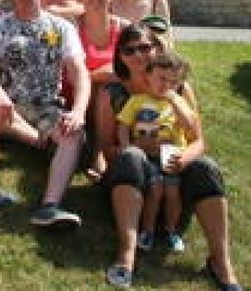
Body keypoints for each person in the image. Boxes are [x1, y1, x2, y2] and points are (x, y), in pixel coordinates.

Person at [98, 25, 242, 290]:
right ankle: (127, 254)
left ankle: (221, 262)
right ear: (120, 56)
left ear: (157, 49)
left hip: (174, 169)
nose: (138, 55)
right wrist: (135, 147)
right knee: (130, 156)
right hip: (134, 176)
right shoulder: (113, 93)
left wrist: (184, 157)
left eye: (145, 47)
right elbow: (106, 147)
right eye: (130, 50)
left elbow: (198, 140)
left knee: (206, 166)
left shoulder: (180, 89)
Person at [0, 0, 88, 228]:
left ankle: (49, 207)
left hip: (46, 106)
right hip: (5, 105)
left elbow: (79, 72)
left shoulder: (63, 27)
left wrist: (79, 111)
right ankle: (41, 141)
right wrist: (0, 95)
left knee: (73, 135)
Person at [114, 52, 199, 254]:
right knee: (155, 190)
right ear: (148, 76)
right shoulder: (137, 100)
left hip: (172, 156)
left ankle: (171, 230)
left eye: (173, 81)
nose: (166, 85)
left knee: (172, 193)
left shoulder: (178, 103)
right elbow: (123, 125)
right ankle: (148, 230)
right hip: (147, 157)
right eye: (162, 78)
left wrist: (175, 100)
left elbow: (189, 126)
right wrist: (127, 147)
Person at [74, 0, 128, 180]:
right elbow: (69, 69)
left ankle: (99, 151)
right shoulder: (71, 28)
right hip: (79, 95)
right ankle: (100, 152)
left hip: (115, 95)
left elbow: (128, 68)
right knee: (104, 88)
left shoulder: (124, 29)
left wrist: (90, 75)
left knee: (106, 90)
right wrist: (97, 76)